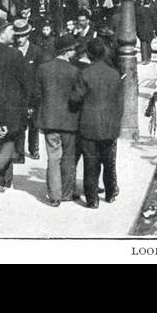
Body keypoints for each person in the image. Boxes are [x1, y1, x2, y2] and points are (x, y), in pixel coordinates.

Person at [70, 40, 122, 209]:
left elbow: (75, 99)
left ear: (90, 54)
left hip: (88, 125)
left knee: (90, 163)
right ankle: (110, 192)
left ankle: (92, 199)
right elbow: (119, 103)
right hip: (109, 125)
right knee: (109, 161)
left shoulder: (85, 74)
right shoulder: (114, 74)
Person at [0, 16, 32, 192]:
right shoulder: (16, 55)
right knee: (8, 141)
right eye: (9, 30)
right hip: (12, 108)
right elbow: (26, 84)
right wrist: (25, 105)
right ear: (2, 33)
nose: (13, 33)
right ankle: (5, 178)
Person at [35, 35, 83, 206]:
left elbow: (37, 94)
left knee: (53, 157)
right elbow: (78, 97)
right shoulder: (75, 71)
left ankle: (54, 196)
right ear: (67, 51)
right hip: (70, 121)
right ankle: (66, 192)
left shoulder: (43, 69)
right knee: (68, 157)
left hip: (49, 120)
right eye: (73, 49)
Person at [15, 18, 46, 161]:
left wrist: (37, 96)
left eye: (22, 35)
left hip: (33, 94)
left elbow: (40, 75)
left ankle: (34, 149)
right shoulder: (13, 51)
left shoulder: (36, 51)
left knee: (34, 124)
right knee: (19, 125)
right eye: (17, 35)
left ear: (27, 35)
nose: (19, 39)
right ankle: (19, 153)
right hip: (18, 94)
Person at [135, 0, 157, 64]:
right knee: (148, 44)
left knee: (143, 44)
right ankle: (149, 58)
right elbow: (155, 21)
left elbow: (137, 20)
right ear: (149, 3)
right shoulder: (152, 10)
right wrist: (155, 29)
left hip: (142, 29)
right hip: (150, 30)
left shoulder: (139, 10)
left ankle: (144, 59)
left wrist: (137, 29)